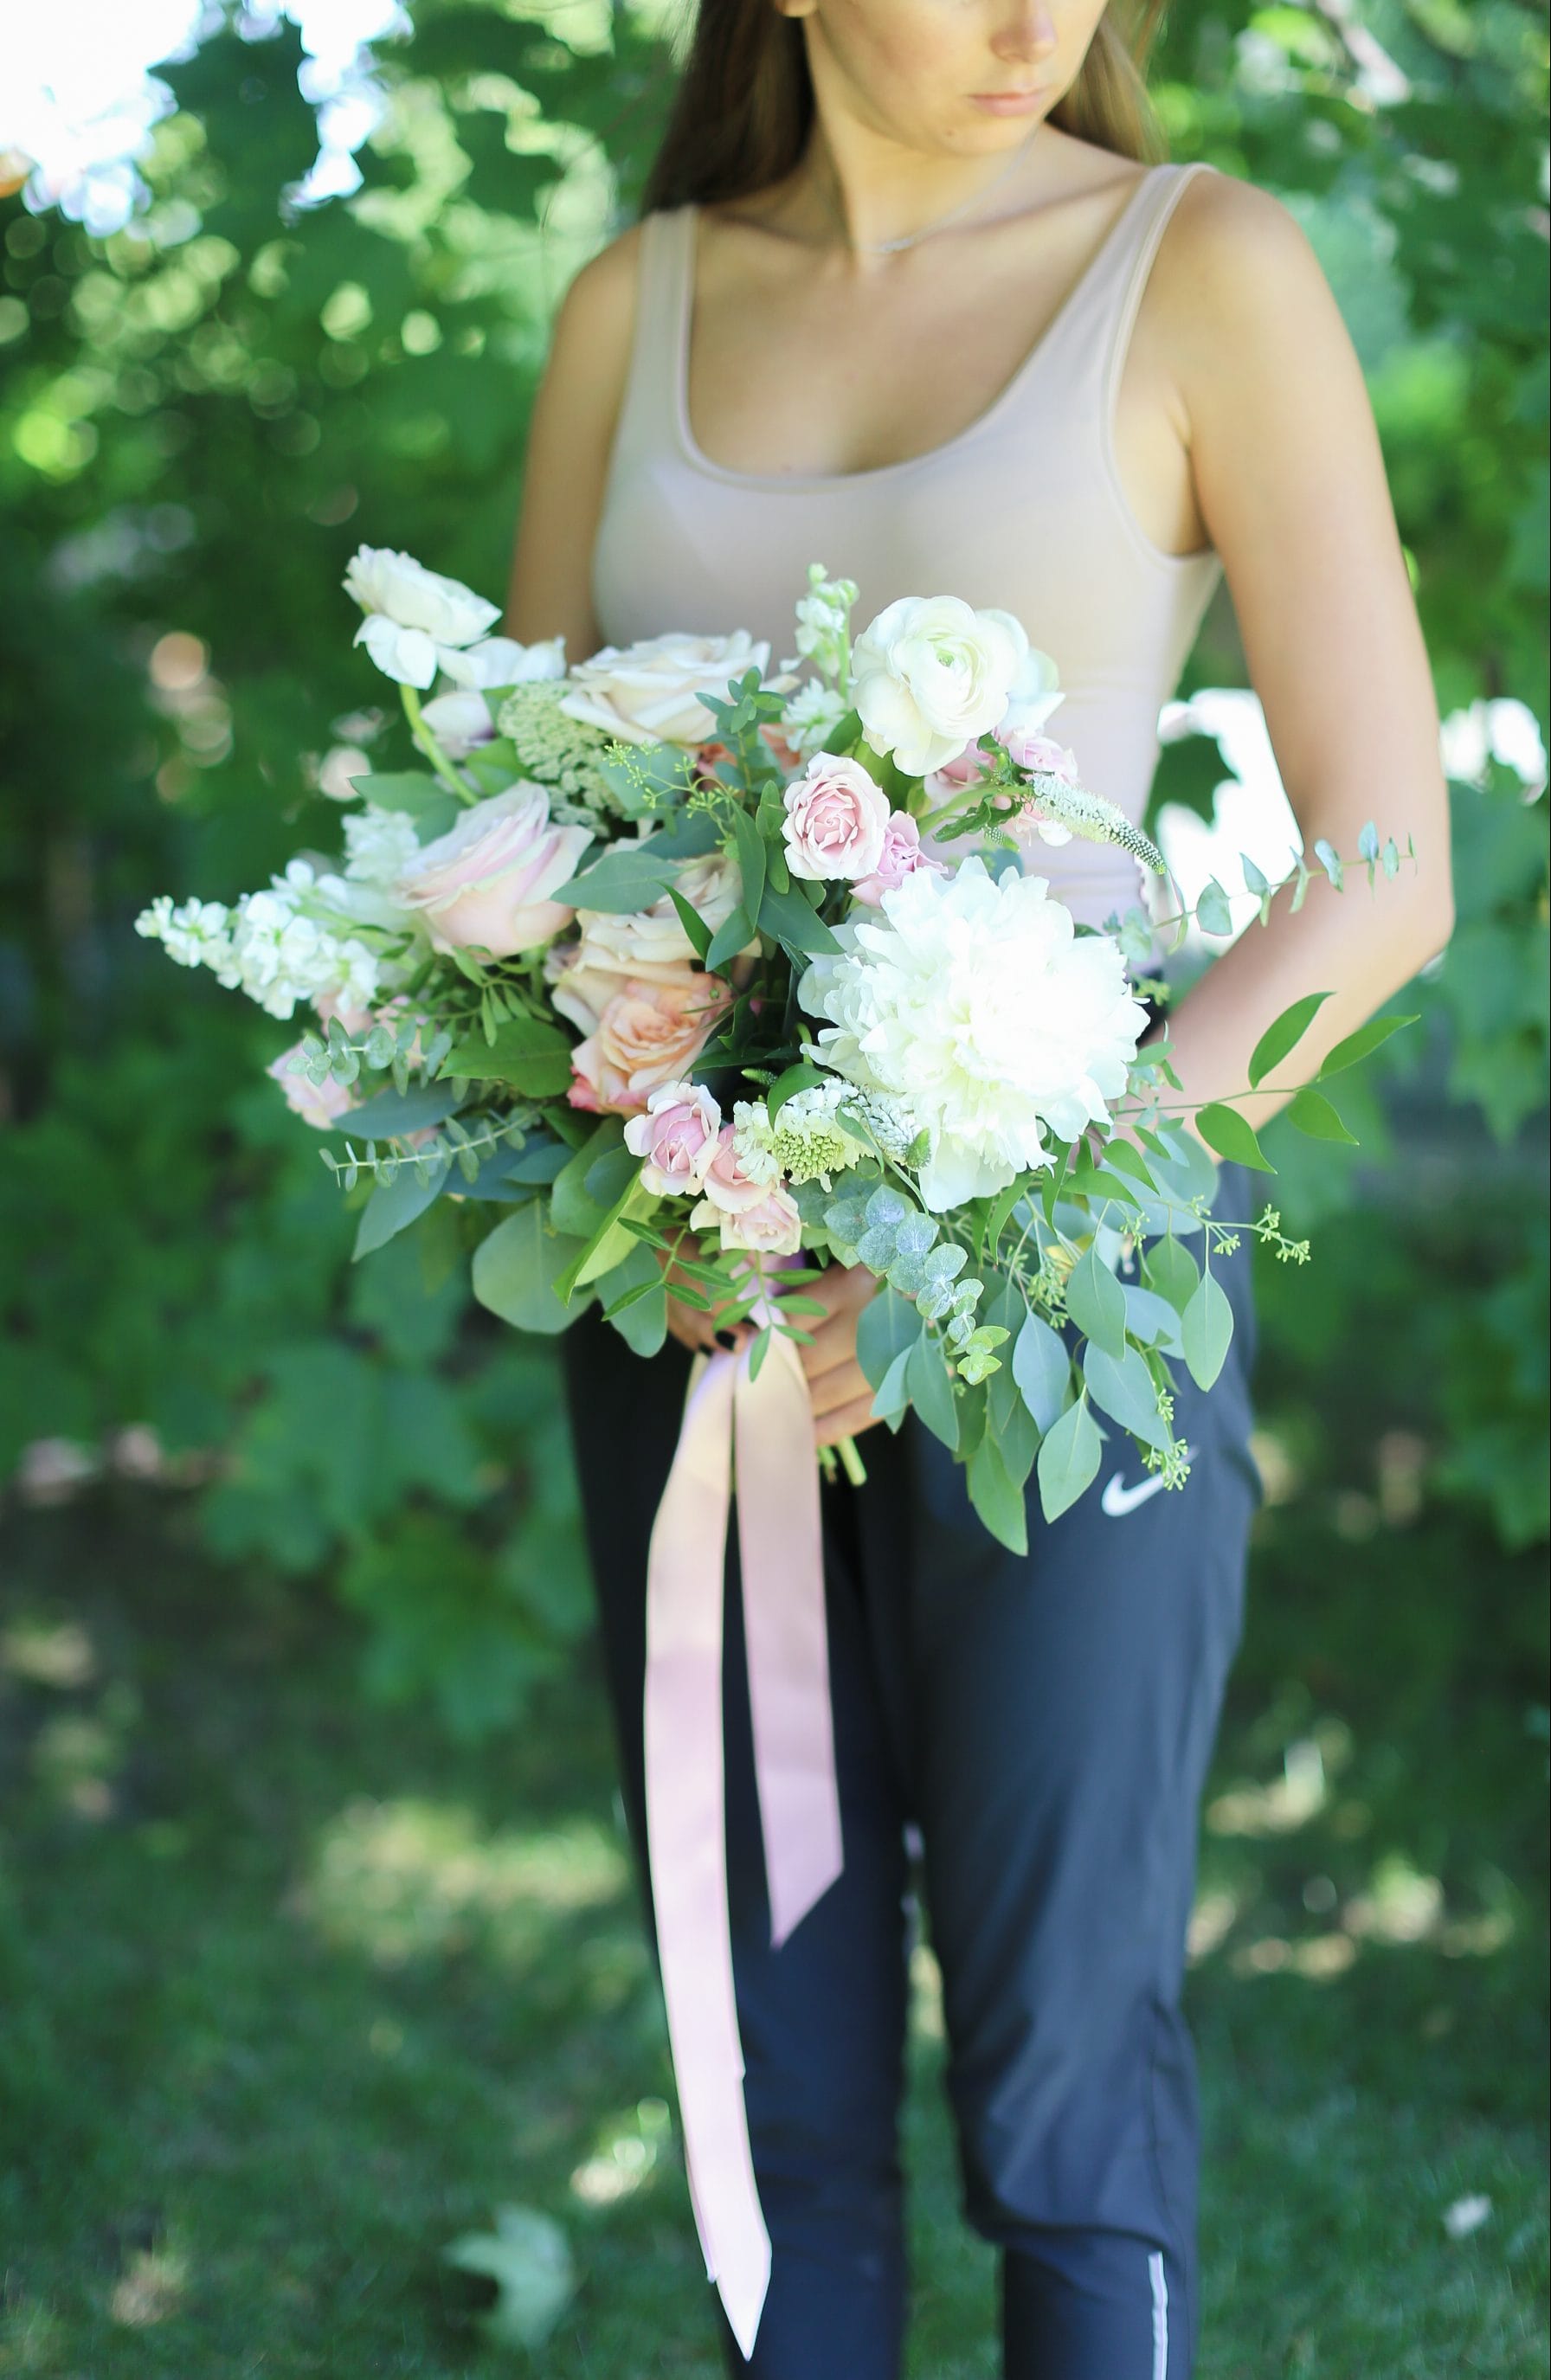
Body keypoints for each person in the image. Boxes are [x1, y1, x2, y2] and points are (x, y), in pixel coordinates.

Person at [504, 3, 1454, 2373]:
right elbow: (514, 829)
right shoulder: (632, 306)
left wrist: (983, 1249)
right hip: (700, 1301)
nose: (1051, 22)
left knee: (1061, 2083)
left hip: (1075, 1302)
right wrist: (676, 1169)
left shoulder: (1201, 266)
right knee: (771, 2079)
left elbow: (1383, 867)